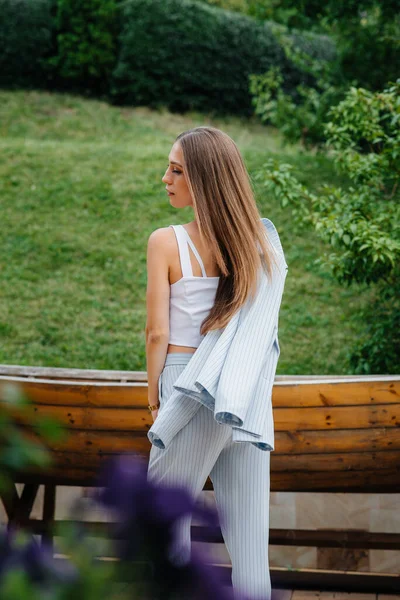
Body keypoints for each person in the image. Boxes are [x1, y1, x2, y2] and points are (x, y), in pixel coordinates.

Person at [145, 126, 288, 600]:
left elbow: (157, 333)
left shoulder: (166, 242)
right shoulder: (258, 246)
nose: (165, 177)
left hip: (188, 387)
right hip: (244, 397)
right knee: (250, 552)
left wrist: (153, 396)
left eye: (177, 170)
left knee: (165, 534)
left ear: (203, 180)